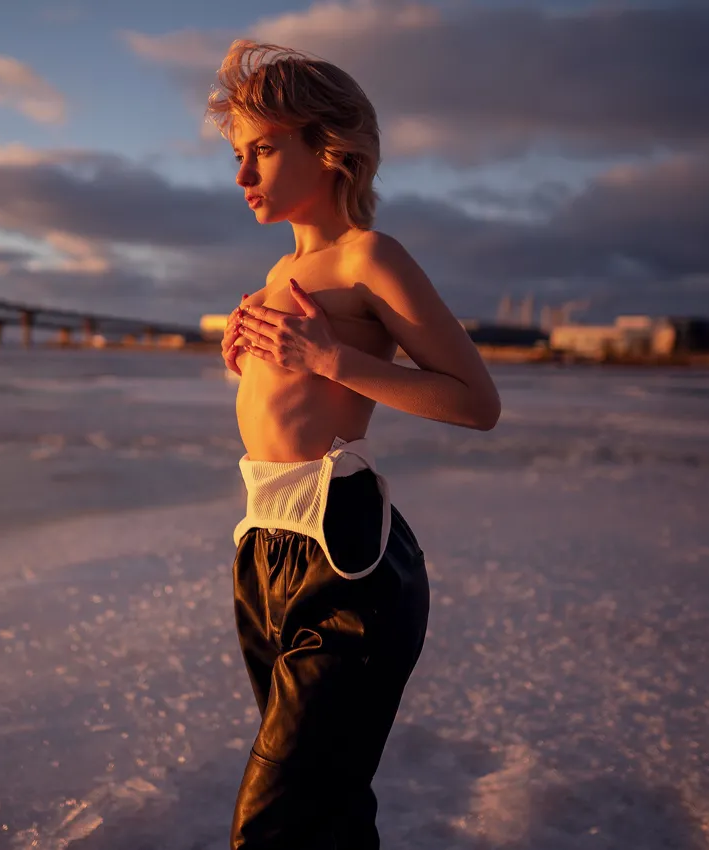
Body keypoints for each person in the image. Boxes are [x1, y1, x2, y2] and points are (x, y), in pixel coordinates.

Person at [208, 39, 501, 848]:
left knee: (270, 825)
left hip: (350, 564)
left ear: (330, 147)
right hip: (265, 549)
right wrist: (249, 366)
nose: (242, 176)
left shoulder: (374, 257)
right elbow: (296, 405)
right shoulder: (277, 273)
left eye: (262, 150)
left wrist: (329, 356)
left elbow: (477, 403)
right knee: (326, 811)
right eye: (238, 155)